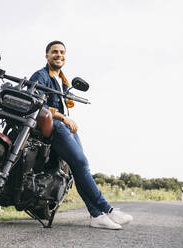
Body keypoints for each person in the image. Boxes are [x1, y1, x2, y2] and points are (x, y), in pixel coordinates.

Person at [30, 41, 133, 230]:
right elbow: (35, 101)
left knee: (80, 167)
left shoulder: (62, 81)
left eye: (62, 52)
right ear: (47, 56)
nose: (58, 55)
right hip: (54, 126)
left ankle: (97, 216)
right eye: (54, 52)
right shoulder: (42, 75)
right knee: (81, 164)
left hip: (64, 126)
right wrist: (62, 117)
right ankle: (106, 210)